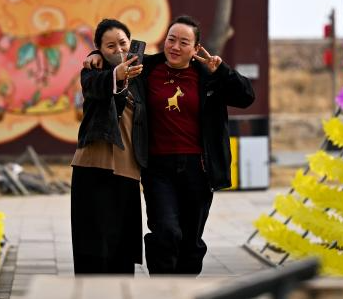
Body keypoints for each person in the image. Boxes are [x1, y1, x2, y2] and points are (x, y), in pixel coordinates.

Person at [85, 15, 255, 275]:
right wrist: (95, 53)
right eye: (171, 39)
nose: (175, 47)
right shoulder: (146, 68)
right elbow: (116, 57)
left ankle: (184, 287)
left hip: (198, 169)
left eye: (183, 42)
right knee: (165, 232)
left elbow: (246, 97)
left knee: (190, 240)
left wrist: (222, 71)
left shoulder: (208, 76)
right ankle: (162, 287)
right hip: (158, 168)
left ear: (196, 48)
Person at [70, 18, 146, 274]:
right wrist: (115, 74)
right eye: (110, 46)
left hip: (128, 169)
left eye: (123, 43)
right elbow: (93, 88)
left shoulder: (142, 71)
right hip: (92, 164)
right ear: (100, 49)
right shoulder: (92, 72)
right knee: (90, 243)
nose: (119, 50)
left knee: (122, 248)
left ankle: (121, 290)